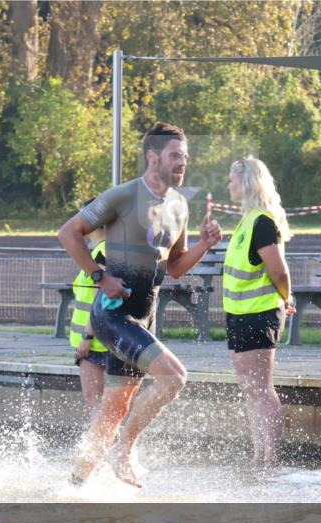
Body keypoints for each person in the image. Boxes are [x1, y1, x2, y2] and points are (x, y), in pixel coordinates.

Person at [57, 122, 222, 487]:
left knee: (113, 410)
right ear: (153, 156)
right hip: (113, 315)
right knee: (174, 377)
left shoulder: (179, 205)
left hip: (144, 318)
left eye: (185, 156)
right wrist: (99, 276)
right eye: (175, 155)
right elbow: (68, 233)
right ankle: (123, 451)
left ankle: (74, 484)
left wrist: (203, 246)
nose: (182, 162)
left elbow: (174, 266)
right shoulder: (123, 195)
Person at [222, 157, 295, 464]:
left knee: (261, 389)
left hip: (259, 313)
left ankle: (271, 458)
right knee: (250, 389)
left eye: (232, 179)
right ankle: (258, 455)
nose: (228, 185)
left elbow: (278, 270)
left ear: (248, 182)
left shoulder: (263, 221)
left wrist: (287, 298)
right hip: (239, 313)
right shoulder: (246, 220)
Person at [70, 226, 109, 416]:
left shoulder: (102, 252)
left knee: (94, 403)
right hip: (95, 341)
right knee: (100, 404)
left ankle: (101, 436)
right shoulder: (96, 252)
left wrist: (87, 336)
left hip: (95, 343)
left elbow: (100, 300)